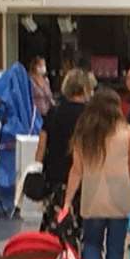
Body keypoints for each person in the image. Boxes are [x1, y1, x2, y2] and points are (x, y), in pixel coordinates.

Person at [62, 89, 130, 259]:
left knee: (91, 242)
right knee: (115, 247)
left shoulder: (84, 133)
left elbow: (76, 170)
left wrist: (67, 201)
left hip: (92, 197)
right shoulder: (127, 132)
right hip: (119, 197)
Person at [36, 68, 94, 242]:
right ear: (85, 88)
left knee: (55, 221)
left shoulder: (53, 112)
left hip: (54, 174)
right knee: (79, 225)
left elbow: (41, 144)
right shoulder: (90, 115)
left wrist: (37, 168)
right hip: (83, 177)